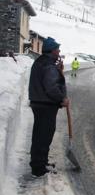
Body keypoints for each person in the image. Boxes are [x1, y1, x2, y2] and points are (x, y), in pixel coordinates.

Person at [28, 37, 69, 177]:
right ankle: (38, 168)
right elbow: (51, 87)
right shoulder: (48, 65)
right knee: (43, 136)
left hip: (40, 103)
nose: (59, 51)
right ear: (52, 50)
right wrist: (62, 98)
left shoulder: (42, 62)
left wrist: (58, 69)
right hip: (45, 105)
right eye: (57, 49)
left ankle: (40, 162)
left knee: (41, 134)